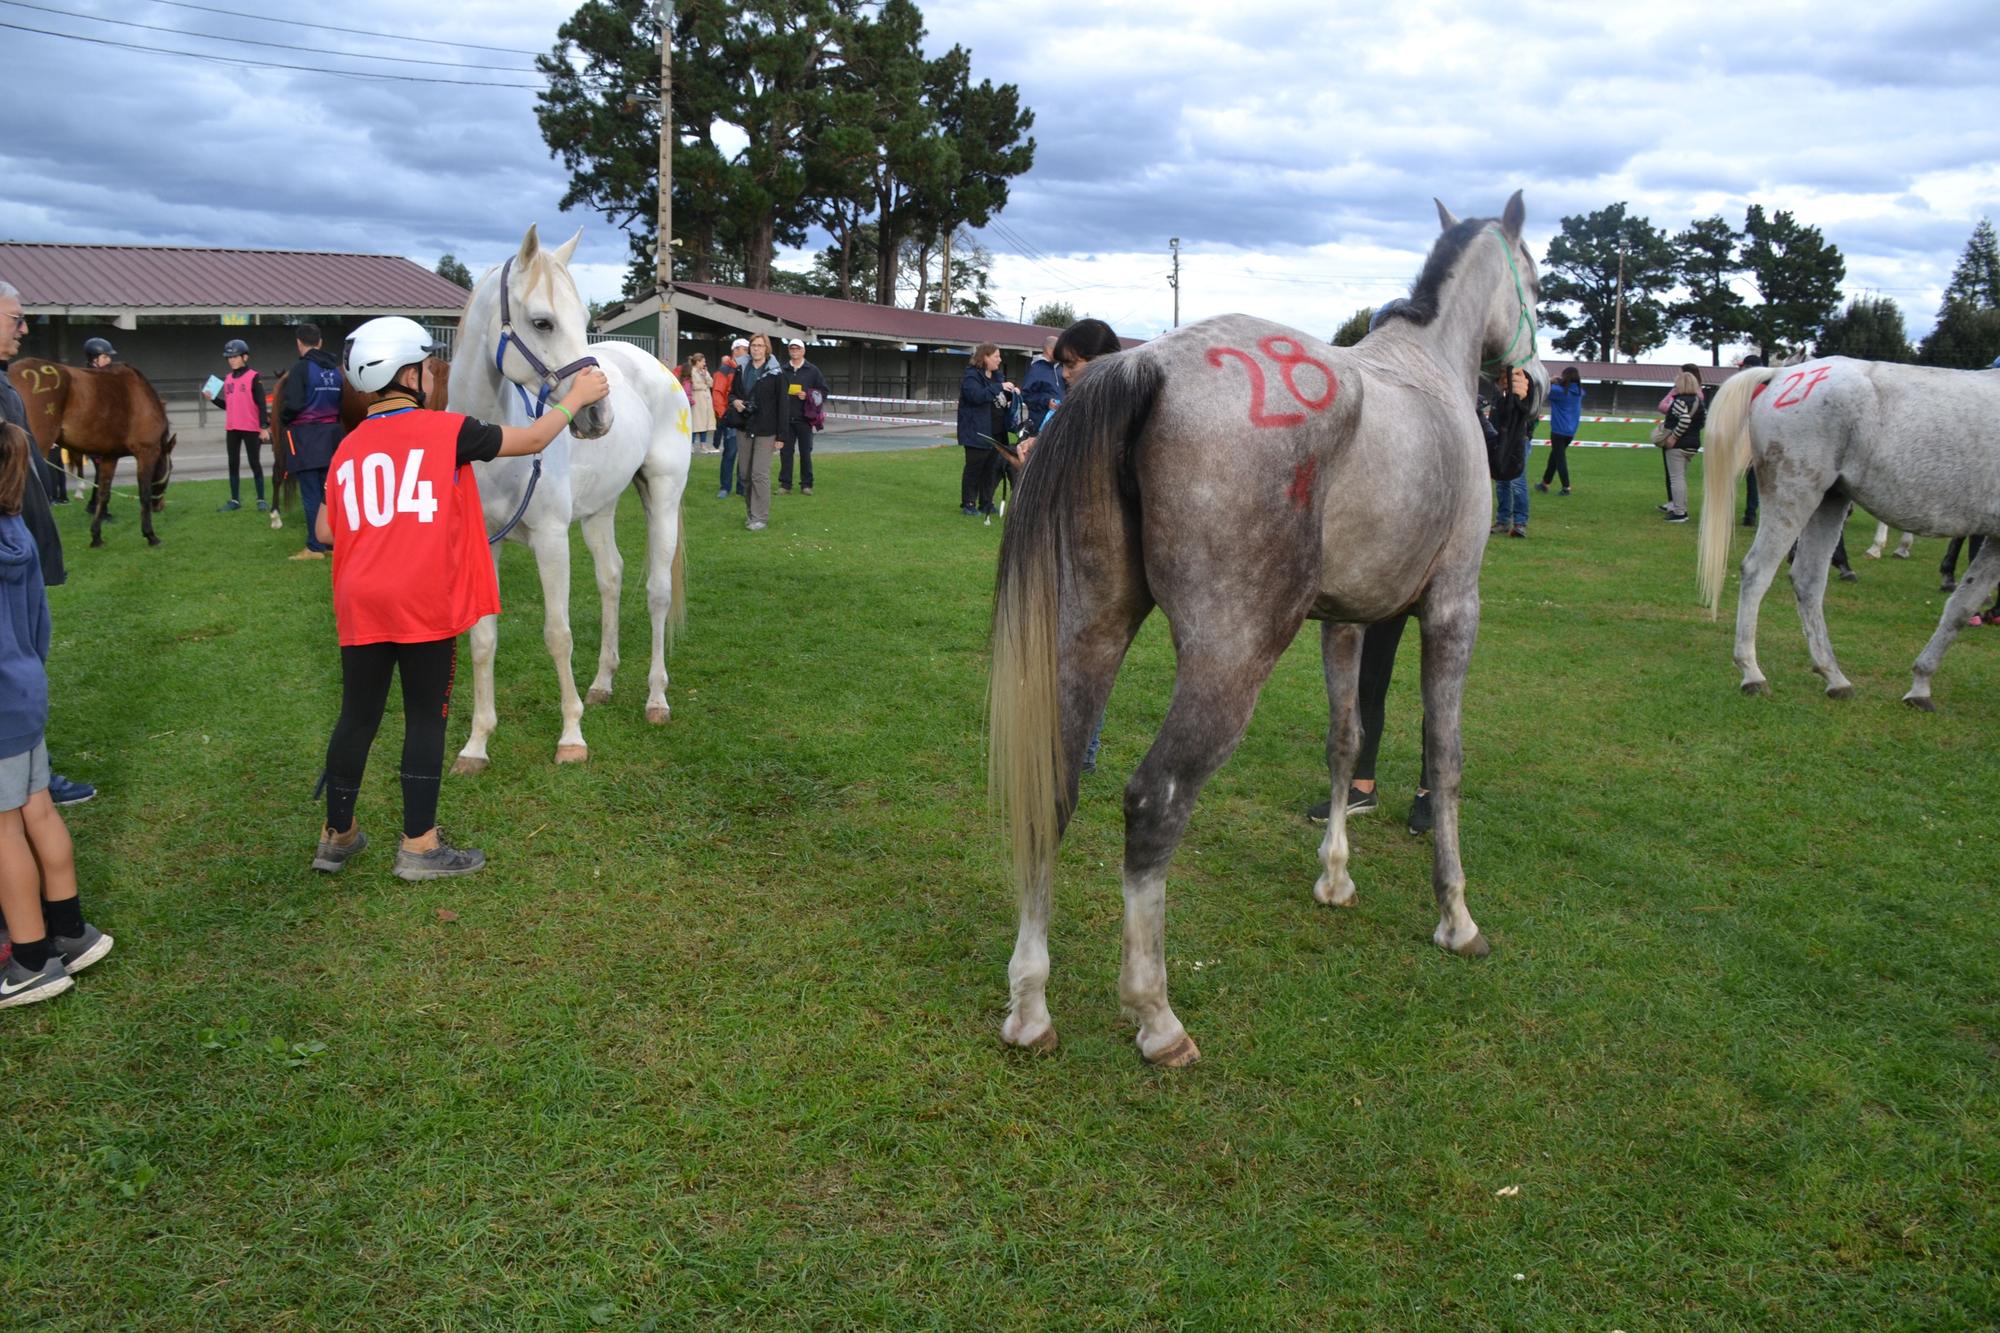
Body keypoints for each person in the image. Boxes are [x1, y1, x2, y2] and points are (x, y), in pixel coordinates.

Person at [310, 317, 609, 880]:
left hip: (359, 602)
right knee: (426, 718)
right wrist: (575, 399)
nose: (431, 376)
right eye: (425, 367)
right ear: (408, 375)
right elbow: (531, 439)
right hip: (421, 598)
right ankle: (420, 846)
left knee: (357, 717)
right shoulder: (448, 430)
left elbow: (327, 531)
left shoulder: (348, 447)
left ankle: (337, 835)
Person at [0, 423, 111, 1008]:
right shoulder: (16, 526)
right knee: (37, 810)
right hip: (24, 693)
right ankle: (71, 931)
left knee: (3, 830)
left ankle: (28, 959)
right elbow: (39, 622)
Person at [0, 282, 89, 809]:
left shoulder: (7, 385)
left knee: (29, 662)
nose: (24, 328)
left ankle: (35, 770)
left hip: (20, 552)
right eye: (16, 317)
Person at [278, 323, 346, 561]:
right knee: (330, 496)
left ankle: (314, 546)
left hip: (306, 438)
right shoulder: (336, 372)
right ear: (320, 342)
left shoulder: (301, 369)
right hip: (332, 437)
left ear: (299, 343)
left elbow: (294, 404)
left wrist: (282, 418)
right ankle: (331, 541)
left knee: (311, 495)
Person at [210, 337, 269, 512]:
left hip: (251, 428)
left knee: (254, 462)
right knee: (232, 463)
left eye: (235, 356)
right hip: (232, 428)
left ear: (245, 357)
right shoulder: (227, 379)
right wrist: (212, 398)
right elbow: (227, 405)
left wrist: (263, 427)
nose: (232, 360)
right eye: (229, 357)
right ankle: (234, 500)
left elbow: (261, 403)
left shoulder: (254, 377)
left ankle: (261, 499)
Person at [957, 344, 1016, 517]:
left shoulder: (998, 376)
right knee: (975, 468)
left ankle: (986, 503)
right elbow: (976, 397)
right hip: (977, 430)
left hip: (997, 430)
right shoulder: (971, 376)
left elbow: (1001, 398)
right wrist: (999, 387)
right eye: (996, 356)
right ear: (985, 357)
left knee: (992, 470)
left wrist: (1012, 394)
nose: (999, 359)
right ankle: (968, 503)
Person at [733, 334, 784, 531]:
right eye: (753, 345)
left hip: (767, 430)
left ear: (766, 349)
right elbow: (732, 393)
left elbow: (783, 404)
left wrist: (781, 436)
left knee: (759, 474)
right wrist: (734, 401)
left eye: (760, 346)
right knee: (744, 474)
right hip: (745, 427)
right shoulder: (741, 369)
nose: (756, 349)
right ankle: (751, 513)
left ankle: (760, 517)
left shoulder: (776, 373)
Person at [1488, 366, 1537, 538]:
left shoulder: (1525, 387)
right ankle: (1502, 521)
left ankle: (1520, 523)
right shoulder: (1497, 391)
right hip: (1499, 439)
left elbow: (1529, 414)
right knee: (1501, 483)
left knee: (1517, 482)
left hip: (1518, 440)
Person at [777, 338, 829, 496]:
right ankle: (785, 484)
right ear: (789, 351)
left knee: (805, 453)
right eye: (792, 349)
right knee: (785, 453)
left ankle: (806, 484)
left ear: (803, 351)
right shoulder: (782, 370)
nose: (794, 351)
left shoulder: (813, 370)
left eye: (797, 349)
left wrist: (807, 395)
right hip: (785, 419)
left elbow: (824, 392)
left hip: (805, 419)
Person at [1658, 369, 1705, 523]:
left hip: (1679, 444)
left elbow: (1684, 419)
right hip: (1693, 443)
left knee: (1676, 478)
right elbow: (1701, 422)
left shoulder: (1679, 401)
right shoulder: (1699, 402)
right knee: (1681, 478)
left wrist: (1674, 436)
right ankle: (1681, 507)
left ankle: (1679, 512)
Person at [1536, 365, 1583, 495]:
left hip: (1558, 431)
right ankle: (1545, 483)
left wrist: (1551, 380)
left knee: (1560, 459)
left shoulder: (1558, 392)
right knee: (1554, 458)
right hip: (1571, 432)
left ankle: (1566, 487)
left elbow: (1545, 388)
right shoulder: (1578, 392)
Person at [712, 338, 746, 498]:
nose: (746, 352)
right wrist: (723, 414)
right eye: (743, 349)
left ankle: (742, 487)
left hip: (746, 416)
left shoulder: (747, 368)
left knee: (745, 454)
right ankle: (725, 487)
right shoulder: (724, 370)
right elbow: (718, 392)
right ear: (735, 350)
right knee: (730, 452)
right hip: (731, 417)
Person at [1737, 353, 1765, 526]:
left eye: (1743, 367)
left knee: (1753, 479)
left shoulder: (1750, 388)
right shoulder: (1771, 385)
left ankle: (1750, 513)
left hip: (1752, 438)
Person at [685, 352, 715, 457]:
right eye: (703, 361)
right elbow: (693, 385)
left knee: (705, 423)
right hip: (697, 400)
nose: (704, 363)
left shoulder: (704, 372)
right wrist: (704, 385)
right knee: (696, 423)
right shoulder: (691, 371)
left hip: (706, 400)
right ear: (697, 362)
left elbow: (711, 383)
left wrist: (705, 377)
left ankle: (703, 445)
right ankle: (691, 445)